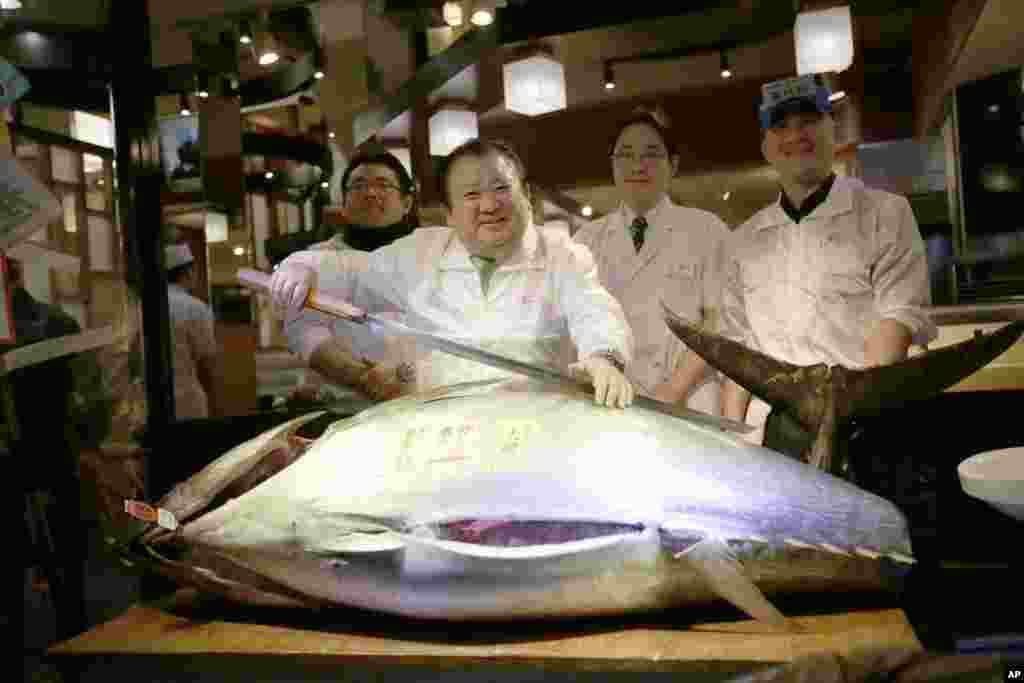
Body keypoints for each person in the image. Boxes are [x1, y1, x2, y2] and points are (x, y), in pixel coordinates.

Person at [270, 138, 635, 408]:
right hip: (442, 433)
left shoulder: (561, 254)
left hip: (536, 427)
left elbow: (593, 308)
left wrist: (604, 357)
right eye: (472, 194)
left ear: (526, 195)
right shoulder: (420, 254)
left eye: (501, 188)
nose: (490, 205)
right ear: (448, 212)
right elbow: (348, 270)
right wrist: (301, 268)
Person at [719, 74, 937, 457]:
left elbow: (898, 317)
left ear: (831, 129)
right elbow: (737, 349)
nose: (795, 135)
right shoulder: (743, 241)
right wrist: (730, 440)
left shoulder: (886, 213)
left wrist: (847, 411)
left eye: (808, 121)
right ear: (766, 147)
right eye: (781, 126)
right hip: (774, 432)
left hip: (862, 422)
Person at [572, 107, 730, 415]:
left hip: (689, 399)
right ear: (612, 166)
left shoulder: (706, 229)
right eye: (626, 155)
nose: (638, 165)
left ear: (673, 164)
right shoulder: (585, 240)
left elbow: (716, 321)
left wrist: (672, 389)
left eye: (651, 153)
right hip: (611, 398)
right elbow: (578, 321)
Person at [273, 149, 421, 403]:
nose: (370, 193)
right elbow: (306, 331)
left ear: (407, 202)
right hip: (346, 404)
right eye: (358, 185)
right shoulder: (315, 261)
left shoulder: (431, 253)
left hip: (425, 399)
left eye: (383, 185)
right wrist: (364, 378)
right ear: (343, 203)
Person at [165, 243, 219, 420]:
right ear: (187, 272)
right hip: (187, 398)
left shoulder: (145, 306)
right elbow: (206, 359)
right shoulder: (194, 307)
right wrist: (215, 398)